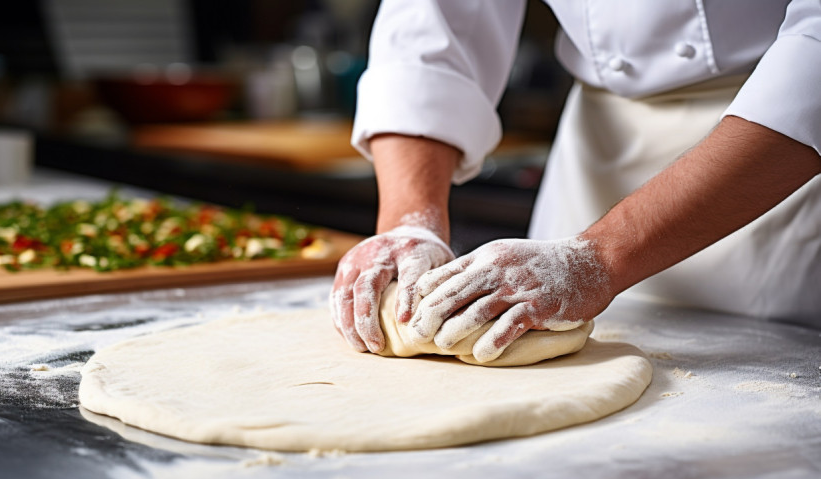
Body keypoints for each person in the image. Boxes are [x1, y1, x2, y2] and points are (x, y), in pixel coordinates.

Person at [330, 0, 821, 363]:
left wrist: (598, 257)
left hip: (775, 156)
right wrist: (410, 223)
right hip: (598, 150)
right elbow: (432, 27)